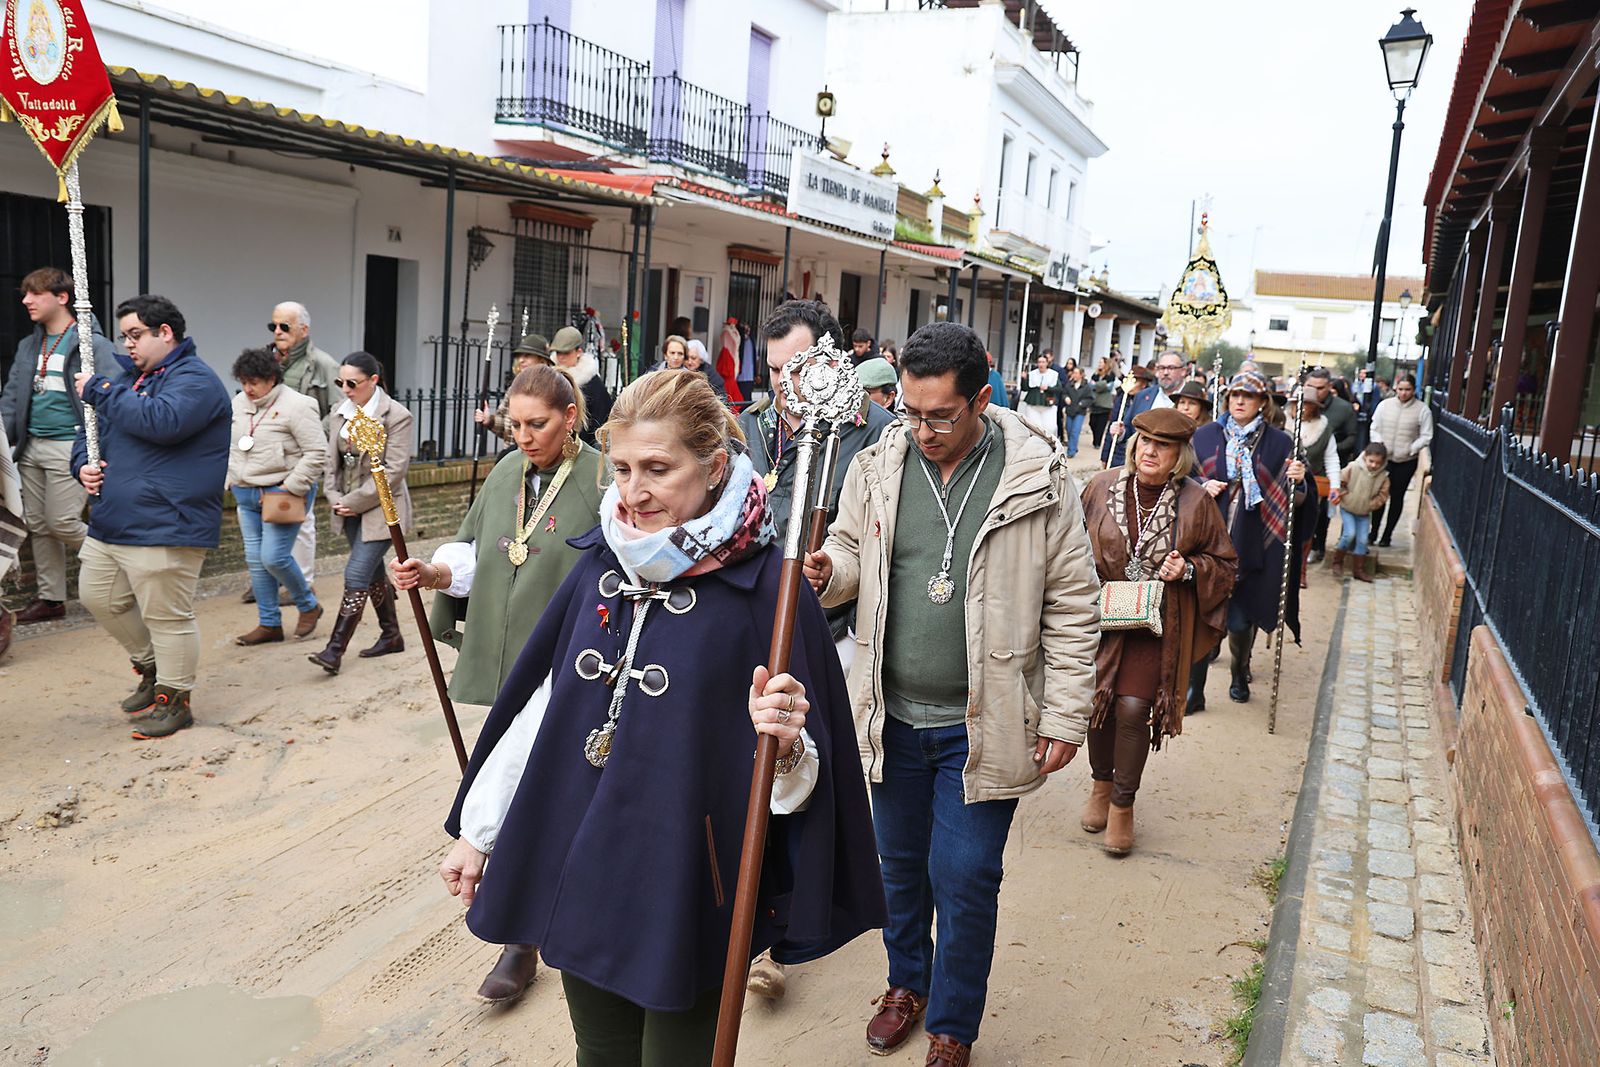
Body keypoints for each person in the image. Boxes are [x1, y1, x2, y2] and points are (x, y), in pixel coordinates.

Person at [437, 370, 885, 1063]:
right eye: (619, 467)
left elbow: (797, 784)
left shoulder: (766, 586)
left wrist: (787, 740)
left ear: (711, 467)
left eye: (657, 468)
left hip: (688, 879)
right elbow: (544, 707)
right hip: (579, 859)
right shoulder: (601, 563)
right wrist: (480, 830)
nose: (633, 491)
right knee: (602, 1054)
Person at [805, 321, 1101, 1066]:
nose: (923, 428)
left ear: (981, 398)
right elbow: (847, 549)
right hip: (890, 712)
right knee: (897, 864)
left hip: (986, 717)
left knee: (965, 876)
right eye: (909, 409)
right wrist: (830, 573)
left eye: (941, 414)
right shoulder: (875, 464)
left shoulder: (1037, 476)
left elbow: (1073, 601)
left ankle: (953, 1024)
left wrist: (1065, 712)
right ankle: (907, 982)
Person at [392, 363, 605, 1005]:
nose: (523, 436)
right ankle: (520, 938)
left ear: (570, 416)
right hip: (510, 659)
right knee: (505, 789)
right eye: (514, 424)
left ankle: (580, 915)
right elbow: (476, 550)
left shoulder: (603, 477)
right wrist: (431, 574)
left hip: (576, 663)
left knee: (567, 794)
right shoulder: (503, 474)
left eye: (536, 424)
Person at [738, 299, 896, 1001]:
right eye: (773, 370)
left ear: (830, 359)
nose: (782, 384)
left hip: (836, 633)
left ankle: (794, 920)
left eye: (795, 367)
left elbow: (889, 541)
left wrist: (834, 568)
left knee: (805, 776)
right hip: (750, 624)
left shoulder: (880, 435)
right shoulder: (748, 428)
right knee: (745, 767)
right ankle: (748, 935)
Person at [72, 294, 231, 739]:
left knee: (168, 617)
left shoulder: (197, 380)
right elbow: (89, 437)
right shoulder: (127, 381)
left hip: (167, 521)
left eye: (136, 335)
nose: (128, 346)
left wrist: (101, 390)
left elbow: (162, 422)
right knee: (99, 596)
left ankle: (174, 699)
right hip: (114, 519)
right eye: (124, 337)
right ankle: (152, 667)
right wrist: (82, 465)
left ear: (166, 333)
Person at [1079, 409, 1237, 853]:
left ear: (1180, 456)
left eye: (1162, 446)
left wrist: (1189, 568)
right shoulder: (1100, 485)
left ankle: (1122, 806)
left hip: (1157, 623)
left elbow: (1226, 564)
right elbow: (1068, 543)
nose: (1150, 451)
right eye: (1144, 441)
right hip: (1101, 616)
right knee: (1097, 702)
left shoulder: (1195, 502)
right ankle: (1100, 786)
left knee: (1132, 707)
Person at [1190, 372, 1314, 705]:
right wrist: (1201, 484)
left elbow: (1297, 496)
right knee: (1201, 615)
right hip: (1207, 536)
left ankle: (1238, 670)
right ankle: (1195, 691)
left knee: (1241, 620)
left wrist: (1298, 480)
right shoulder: (1203, 436)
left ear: (1262, 403)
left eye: (1248, 396)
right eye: (1234, 395)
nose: (1240, 401)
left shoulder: (1280, 442)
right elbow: (1183, 475)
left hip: (1254, 540)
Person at [3, 267, 113, 625]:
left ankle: (122, 565)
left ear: (62, 297)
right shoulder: (28, 344)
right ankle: (51, 600)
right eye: (26, 293)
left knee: (63, 522)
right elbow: (11, 397)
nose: (26, 300)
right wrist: (4, 440)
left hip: (71, 446)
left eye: (35, 293)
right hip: (30, 446)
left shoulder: (91, 343)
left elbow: (111, 392)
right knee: (37, 523)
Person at [308, 352, 413, 675]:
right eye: (341, 382)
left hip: (383, 510)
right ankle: (391, 635)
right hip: (348, 508)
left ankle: (334, 650)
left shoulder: (396, 416)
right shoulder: (340, 413)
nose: (345, 389)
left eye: (352, 383)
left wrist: (352, 501)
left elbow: (393, 471)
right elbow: (331, 463)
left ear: (374, 381)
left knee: (356, 574)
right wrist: (335, 495)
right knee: (372, 573)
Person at [226, 346, 327, 645]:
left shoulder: (299, 405)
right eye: (243, 381)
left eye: (253, 382)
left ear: (272, 378)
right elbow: (231, 446)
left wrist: (290, 486)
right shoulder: (239, 403)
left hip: (281, 494)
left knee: (273, 557)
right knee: (256, 562)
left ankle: (308, 605)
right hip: (246, 494)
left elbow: (316, 452)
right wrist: (231, 479)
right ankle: (269, 623)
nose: (248, 388)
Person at [268, 301, 341, 604]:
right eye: (273, 326)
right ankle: (273, 579)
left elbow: (339, 407)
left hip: (303, 453)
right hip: (270, 452)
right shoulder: (269, 360)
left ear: (303, 330)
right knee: (268, 516)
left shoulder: (322, 363)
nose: (277, 332)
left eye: (285, 326)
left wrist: (312, 431)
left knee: (301, 520)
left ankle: (304, 581)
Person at [1368, 375, 1432, 548]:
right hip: (1384, 459)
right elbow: (1374, 427)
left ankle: (1387, 535)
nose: (1403, 393)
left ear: (1413, 390)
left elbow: (1426, 435)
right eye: (1401, 389)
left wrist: (1412, 448)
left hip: (1406, 461)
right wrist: (1379, 445)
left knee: (1397, 498)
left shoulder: (1422, 410)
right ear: (1396, 388)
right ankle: (1373, 532)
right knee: (1379, 496)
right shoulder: (1384, 405)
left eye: (1408, 389)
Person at [1303, 367, 1359, 560]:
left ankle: (1317, 547)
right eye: (1310, 386)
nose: (1315, 391)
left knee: (1320, 514)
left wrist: (1326, 446)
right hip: (1296, 473)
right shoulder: (1289, 414)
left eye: (1320, 387)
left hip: (1325, 471)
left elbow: (1352, 439)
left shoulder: (1343, 409)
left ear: (1329, 386)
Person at [1289, 387, 1342, 585]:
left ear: (1314, 407)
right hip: (1281, 485)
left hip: (1310, 486)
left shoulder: (1323, 429)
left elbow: (1331, 458)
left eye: (1306, 404)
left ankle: (1300, 571)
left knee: (1306, 529)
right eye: (1297, 403)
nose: (1301, 407)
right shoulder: (1280, 424)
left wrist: (1335, 486)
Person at [476, 332, 551, 445]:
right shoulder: (514, 388)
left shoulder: (550, 388)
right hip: (512, 456)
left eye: (527, 355)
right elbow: (505, 426)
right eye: (520, 356)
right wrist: (489, 420)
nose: (521, 360)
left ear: (541, 360)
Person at [1331, 443, 1391, 581]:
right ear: (1365, 457)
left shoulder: (1383, 477)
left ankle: (1358, 570)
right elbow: (1340, 480)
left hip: (1364, 513)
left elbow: (1383, 496)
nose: (1374, 465)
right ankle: (1337, 561)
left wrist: (1370, 505)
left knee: (1363, 540)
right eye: (1371, 461)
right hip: (1348, 508)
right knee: (1349, 534)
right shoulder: (1353, 467)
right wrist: (1344, 494)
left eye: (1378, 463)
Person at [1100, 364, 1158, 469]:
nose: (1131, 385)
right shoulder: (1121, 398)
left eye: (1135, 381)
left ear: (1144, 384)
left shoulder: (1150, 402)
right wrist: (1105, 456)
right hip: (1118, 453)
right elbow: (1112, 426)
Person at [1018, 352, 1061, 440]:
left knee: (1050, 427)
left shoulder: (1053, 374)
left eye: (1043, 362)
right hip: (1033, 404)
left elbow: (1059, 389)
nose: (1041, 364)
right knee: (1035, 427)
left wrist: (1048, 388)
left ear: (1047, 363)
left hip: (1048, 404)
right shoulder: (1032, 374)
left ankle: (1050, 444)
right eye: (1039, 362)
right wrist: (1024, 378)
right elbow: (1025, 388)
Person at [1059, 365, 1093, 458]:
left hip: (1080, 412)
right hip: (1070, 410)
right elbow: (1064, 393)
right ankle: (1073, 446)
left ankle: (1071, 451)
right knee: (1069, 430)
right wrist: (1066, 398)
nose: (1074, 375)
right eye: (1074, 373)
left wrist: (1082, 403)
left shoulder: (1086, 386)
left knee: (1075, 431)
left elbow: (1090, 398)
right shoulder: (1069, 384)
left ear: (1081, 375)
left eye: (1076, 373)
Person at [1089, 357, 1117, 446]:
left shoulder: (1111, 375)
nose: (1099, 364)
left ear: (1106, 364)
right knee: (1092, 423)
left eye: (1101, 362)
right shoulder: (1096, 374)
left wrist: (1096, 385)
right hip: (1095, 403)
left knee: (1101, 425)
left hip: (1105, 404)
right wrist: (1102, 385)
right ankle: (1095, 438)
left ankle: (1097, 442)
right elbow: (1090, 386)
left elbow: (1109, 387)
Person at [717, 317, 745, 404]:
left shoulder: (733, 331)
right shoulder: (726, 332)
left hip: (734, 357)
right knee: (728, 380)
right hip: (727, 358)